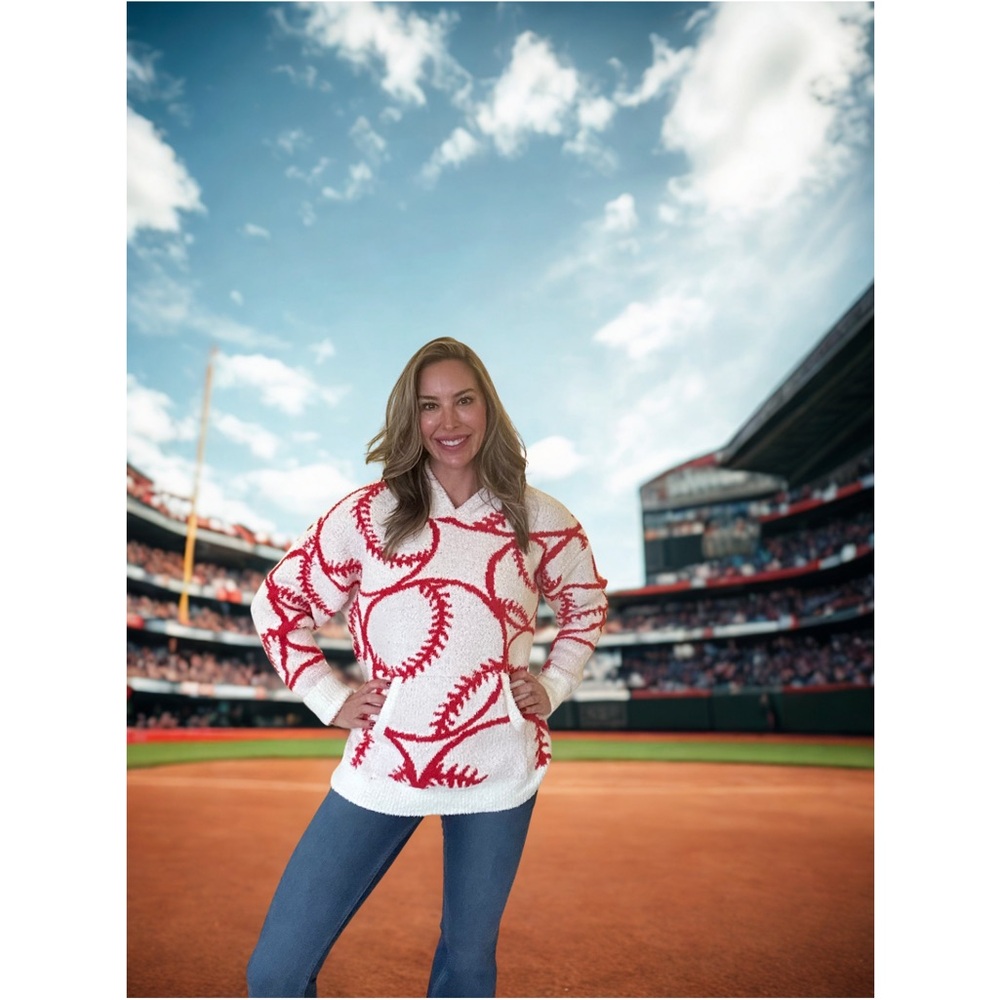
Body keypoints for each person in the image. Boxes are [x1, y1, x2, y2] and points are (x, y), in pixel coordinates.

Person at [246, 337, 608, 998]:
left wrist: (552, 686)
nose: (449, 422)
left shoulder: (542, 518)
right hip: (386, 761)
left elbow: (585, 608)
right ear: (407, 420)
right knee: (275, 972)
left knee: (468, 969)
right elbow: (277, 604)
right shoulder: (366, 512)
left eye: (464, 401)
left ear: (488, 408)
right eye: (428, 406)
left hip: (497, 765)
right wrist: (329, 695)